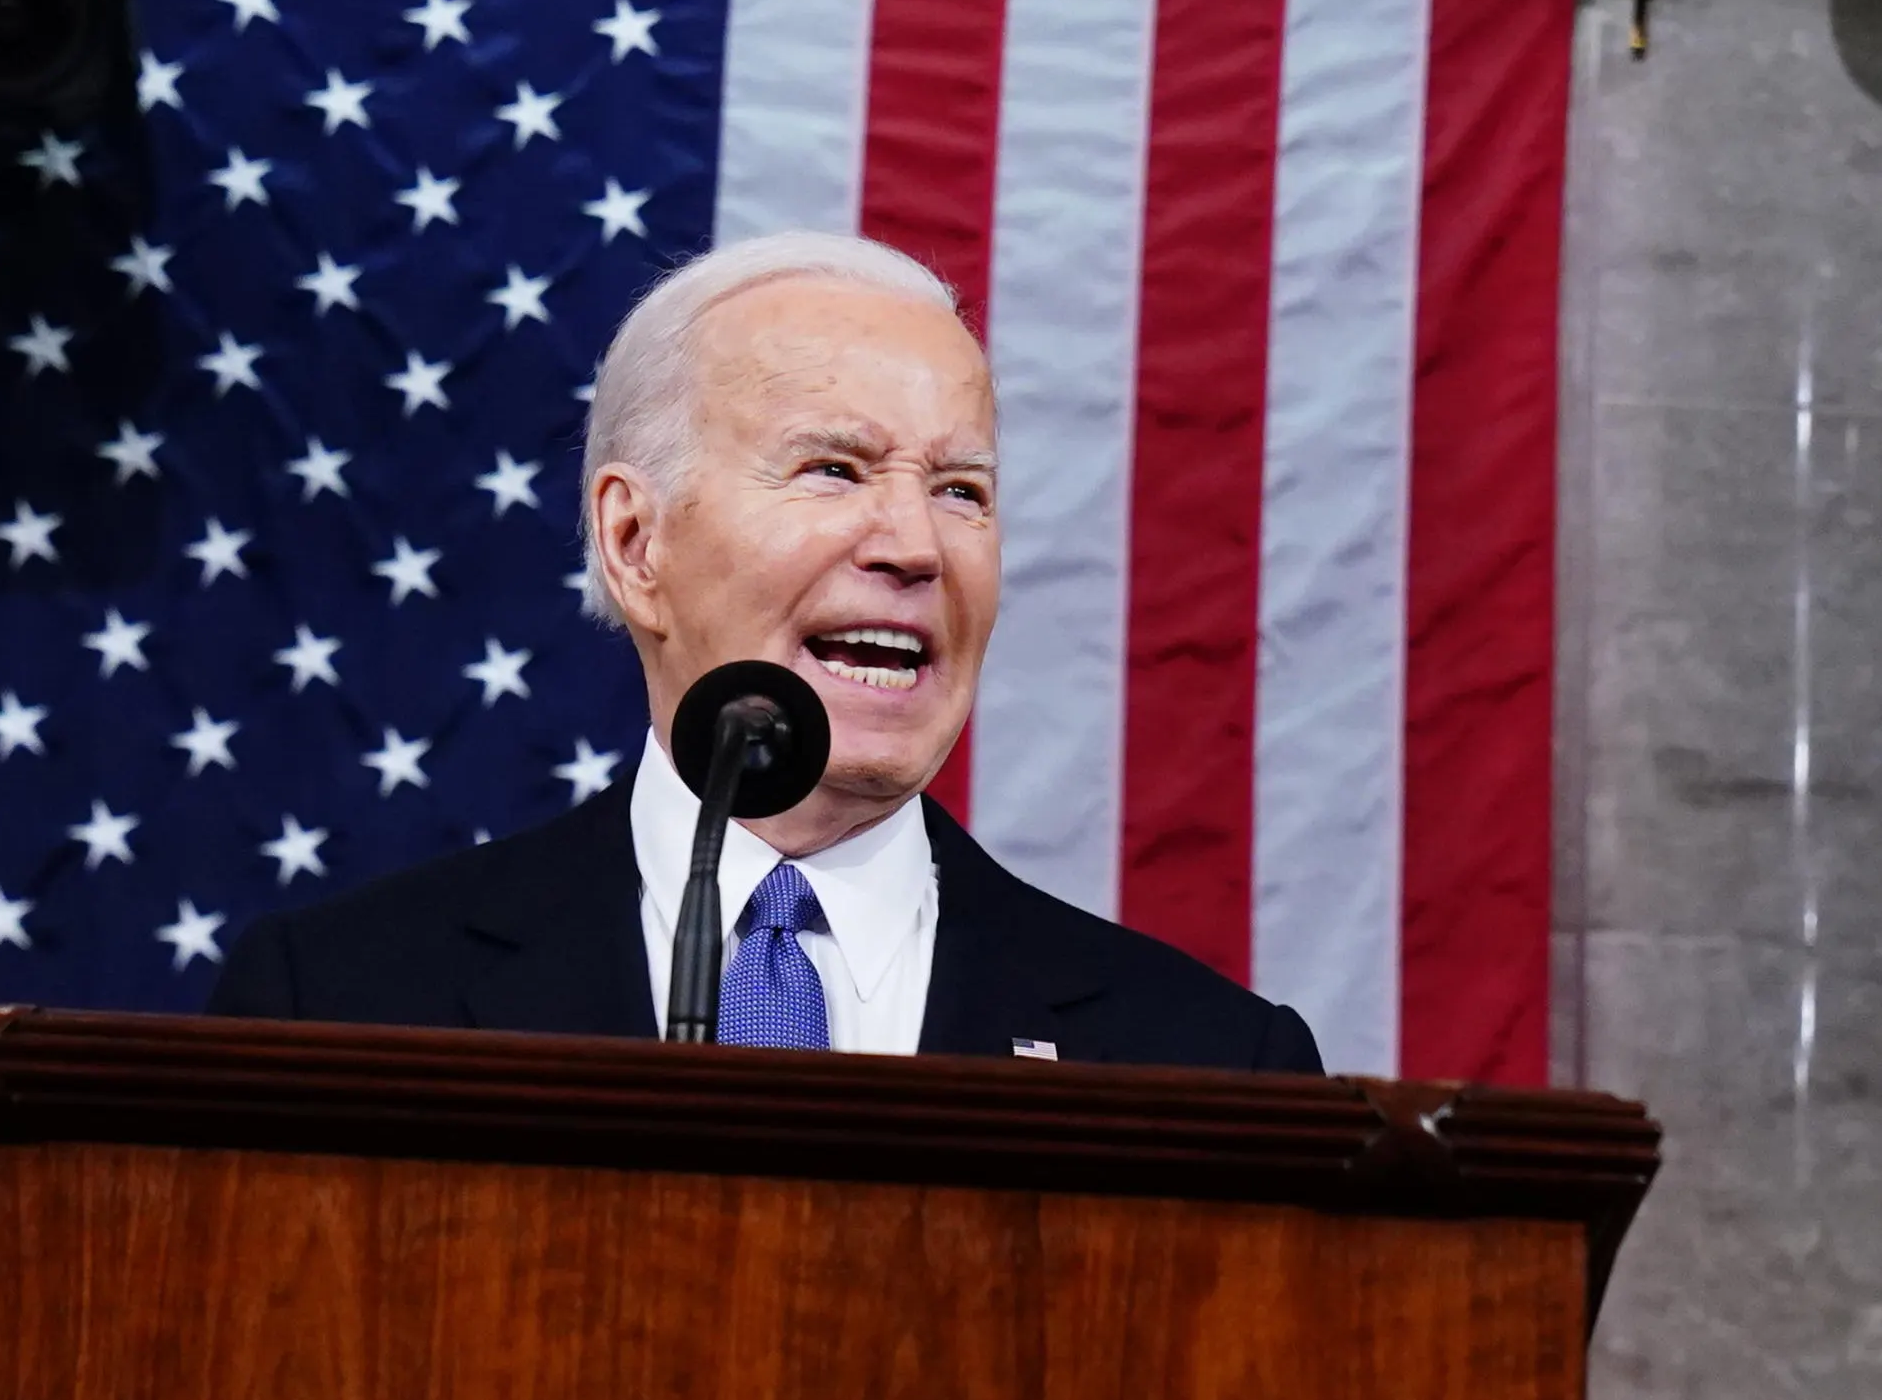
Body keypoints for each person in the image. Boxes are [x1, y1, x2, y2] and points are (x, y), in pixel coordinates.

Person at [211, 229, 1323, 1072]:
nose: (914, 545)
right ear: (634, 540)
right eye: (833, 469)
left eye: (959, 489)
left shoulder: (1205, 1059)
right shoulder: (338, 1006)